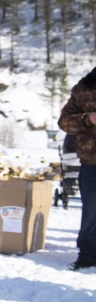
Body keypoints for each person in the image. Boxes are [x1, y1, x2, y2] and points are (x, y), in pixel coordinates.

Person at [58, 66, 96, 270]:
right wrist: (87, 119)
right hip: (91, 161)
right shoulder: (84, 89)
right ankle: (88, 254)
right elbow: (64, 122)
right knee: (91, 211)